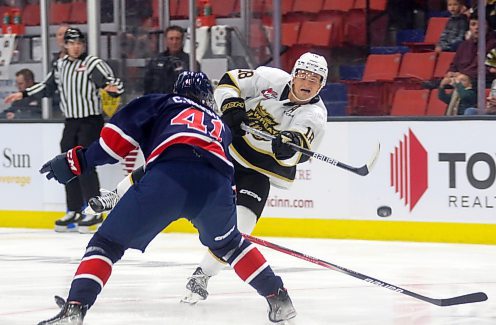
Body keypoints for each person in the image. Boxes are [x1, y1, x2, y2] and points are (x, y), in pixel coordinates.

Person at [37, 71, 297, 325]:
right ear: (207, 98)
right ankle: (279, 299)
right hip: (216, 187)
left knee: (106, 244)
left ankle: (76, 308)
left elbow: (112, 145)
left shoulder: (161, 102)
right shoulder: (219, 125)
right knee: (231, 246)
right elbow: (225, 172)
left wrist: (76, 161)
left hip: (168, 177)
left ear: (176, 91)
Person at [86, 52, 329, 304]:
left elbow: (300, 148)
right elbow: (229, 81)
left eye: (315, 78)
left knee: (241, 227)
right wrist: (232, 105)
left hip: (259, 169)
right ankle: (115, 195)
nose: (308, 82)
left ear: (322, 84)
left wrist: (288, 147)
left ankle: (202, 275)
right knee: (171, 165)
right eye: (304, 74)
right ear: (294, 74)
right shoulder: (270, 78)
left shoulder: (315, 115)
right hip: (228, 149)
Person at [4, 27, 124, 234]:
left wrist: (114, 90)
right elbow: (46, 86)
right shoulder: (59, 65)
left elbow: (111, 83)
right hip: (71, 121)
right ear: (65, 45)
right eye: (71, 43)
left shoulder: (91, 63)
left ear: (83, 45)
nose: (76, 47)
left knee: (85, 164)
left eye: (79, 43)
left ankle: (94, 210)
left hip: (90, 121)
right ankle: (74, 209)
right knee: (67, 164)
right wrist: (23, 94)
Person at [143, 25, 190, 95]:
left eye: (177, 39)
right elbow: (147, 86)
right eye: (171, 39)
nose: (174, 42)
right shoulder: (156, 61)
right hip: (159, 102)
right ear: (166, 40)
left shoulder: (190, 61)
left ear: (182, 40)